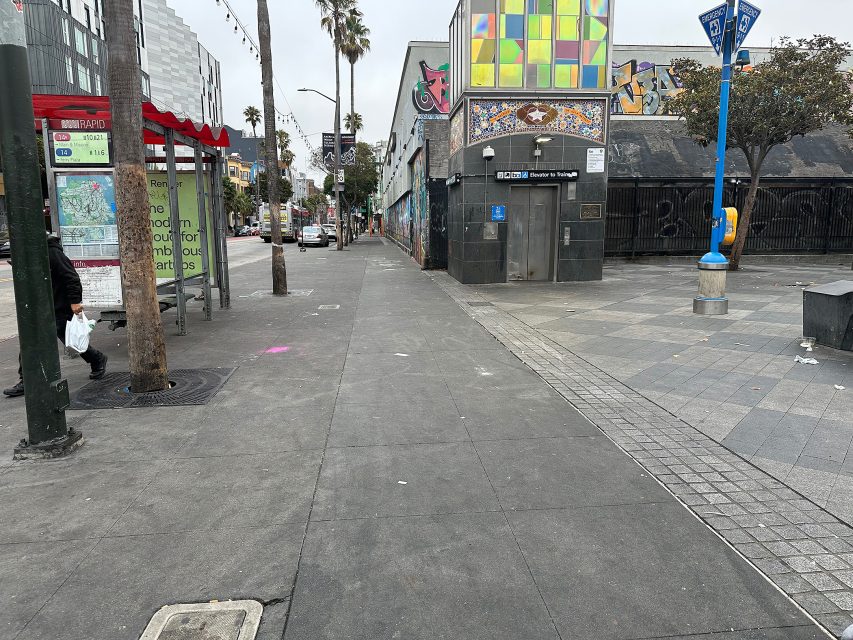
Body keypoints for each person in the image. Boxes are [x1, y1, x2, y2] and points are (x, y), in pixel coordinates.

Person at [3, 236, 107, 398]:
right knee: (29, 341)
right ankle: (27, 380)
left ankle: (97, 358)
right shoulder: (26, 254)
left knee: (71, 340)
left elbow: (71, 277)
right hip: (37, 307)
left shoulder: (51, 252)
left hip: (58, 305)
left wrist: (74, 302)